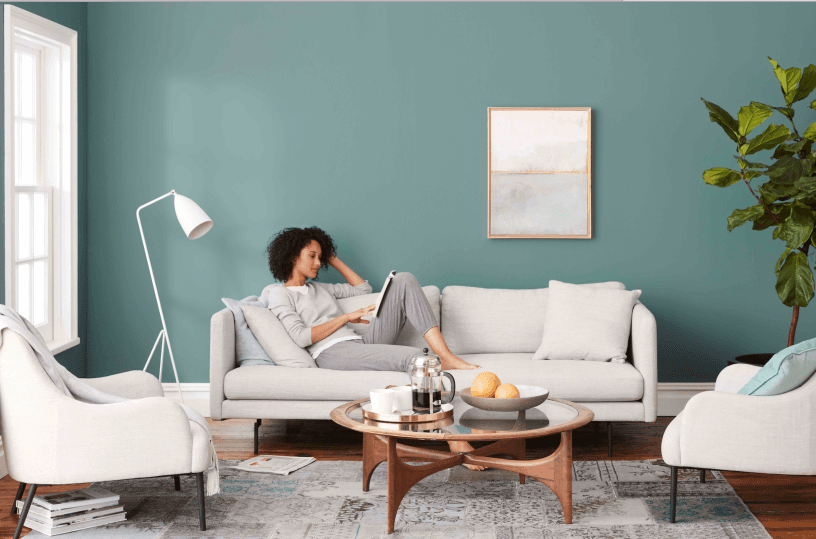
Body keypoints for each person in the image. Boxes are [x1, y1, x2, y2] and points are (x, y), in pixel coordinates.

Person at [266, 226, 484, 469]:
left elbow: (363, 289)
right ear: (292, 256)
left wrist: (332, 256)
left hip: (360, 345)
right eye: (312, 256)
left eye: (320, 256)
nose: (318, 263)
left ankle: (445, 356)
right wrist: (345, 318)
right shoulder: (278, 293)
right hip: (331, 352)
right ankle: (452, 437)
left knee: (403, 279)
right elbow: (300, 336)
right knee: (419, 359)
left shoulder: (319, 288)